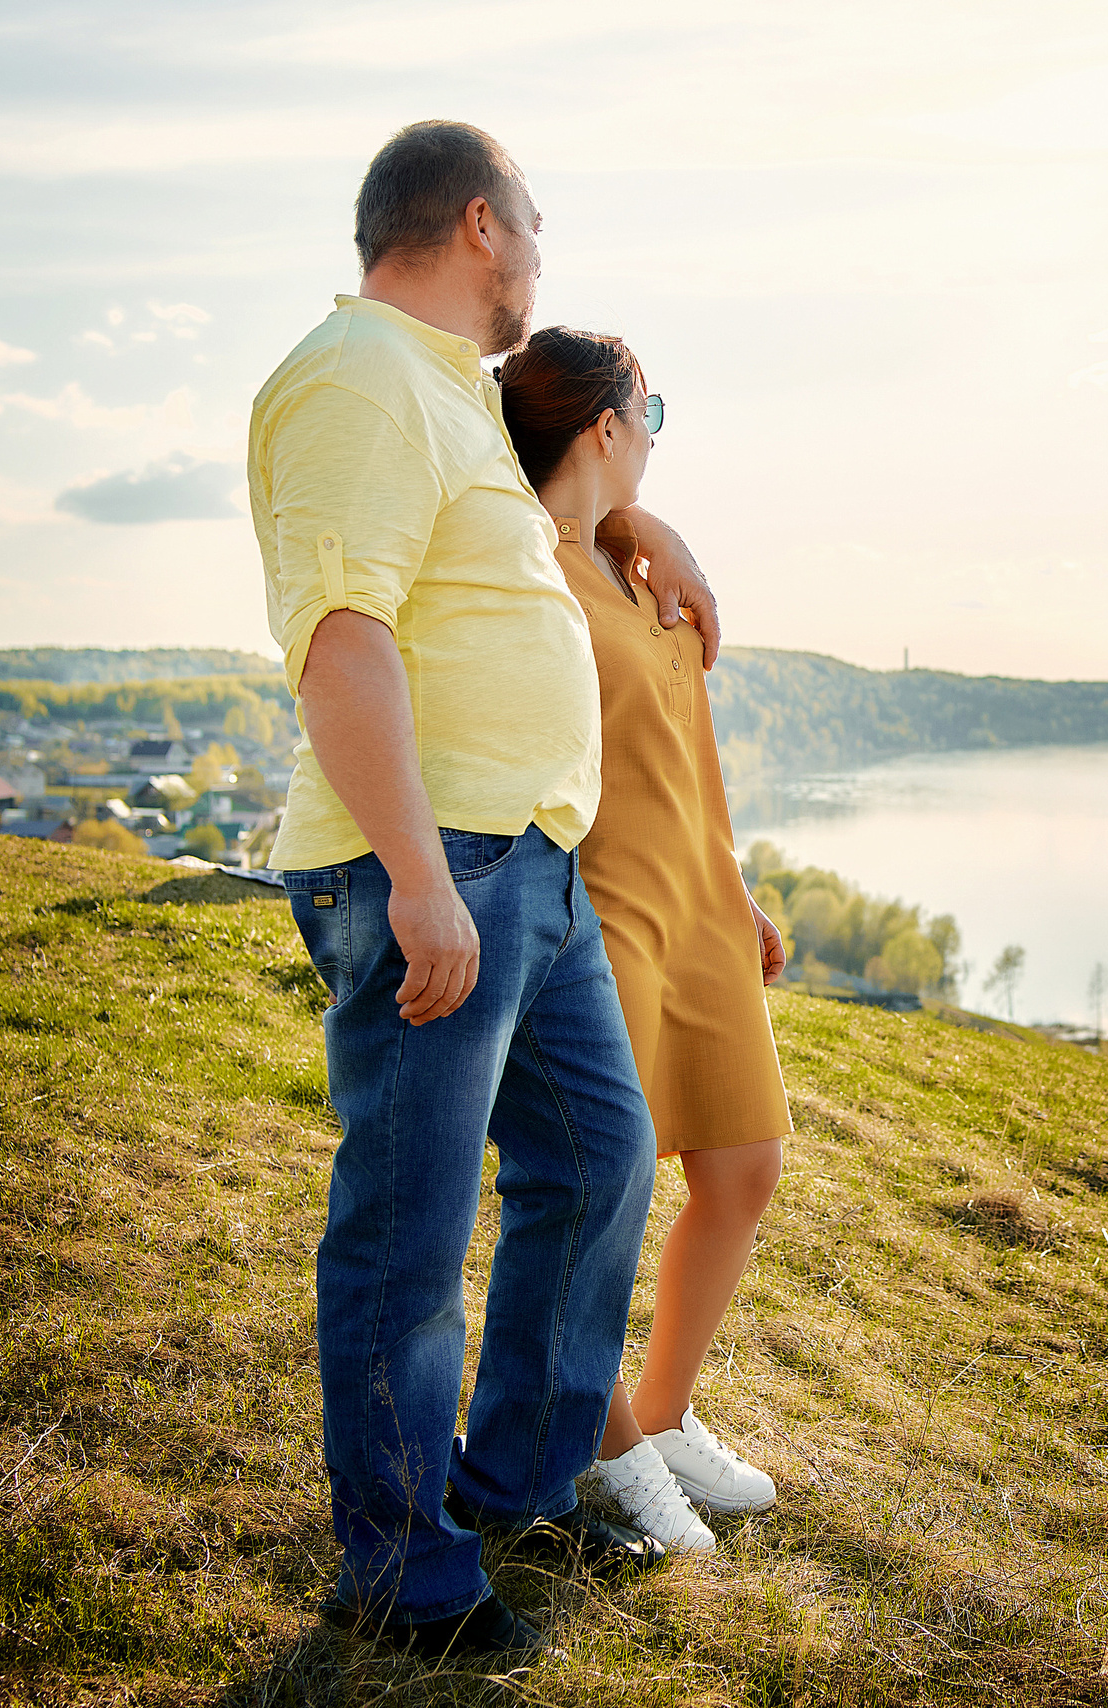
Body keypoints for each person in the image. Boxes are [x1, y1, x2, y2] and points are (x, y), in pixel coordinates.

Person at [248, 120, 723, 1664]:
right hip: (433, 867)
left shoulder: (446, 397)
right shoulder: (357, 379)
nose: (543, 252)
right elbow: (345, 636)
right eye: (538, 223)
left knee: (600, 1161)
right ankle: (399, 1572)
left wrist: (644, 514)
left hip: (528, 861)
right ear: (479, 226)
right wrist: (410, 880)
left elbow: (535, 541)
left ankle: (518, 1479)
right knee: (406, 1222)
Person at [494, 327, 791, 1555]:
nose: (659, 428)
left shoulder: (630, 563)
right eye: (649, 407)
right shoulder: (526, 564)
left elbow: (683, 740)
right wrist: (618, 531)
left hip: (702, 898)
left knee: (743, 1165)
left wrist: (739, 882)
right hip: (602, 903)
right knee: (600, 1192)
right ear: (605, 426)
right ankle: (605, 1443)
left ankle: (660, 1415)